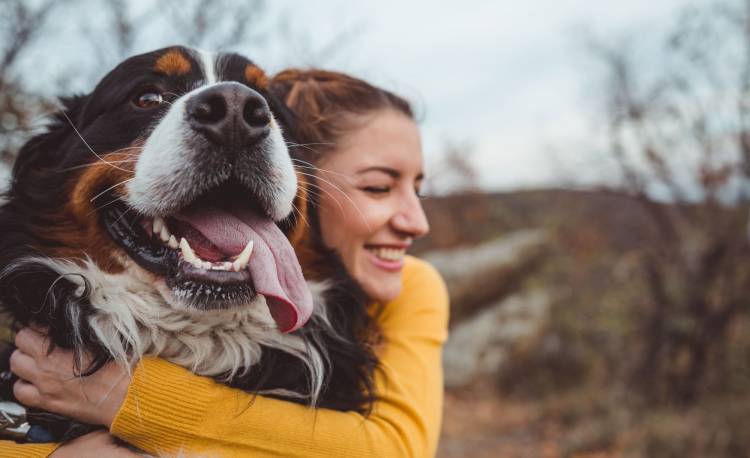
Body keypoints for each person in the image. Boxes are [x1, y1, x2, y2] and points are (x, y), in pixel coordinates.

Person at [1, 69, 449, 458]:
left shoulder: (413, 285)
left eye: (418, 189)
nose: (418, 222)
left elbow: (394, 449)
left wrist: (127, 398)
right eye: (377, 188)